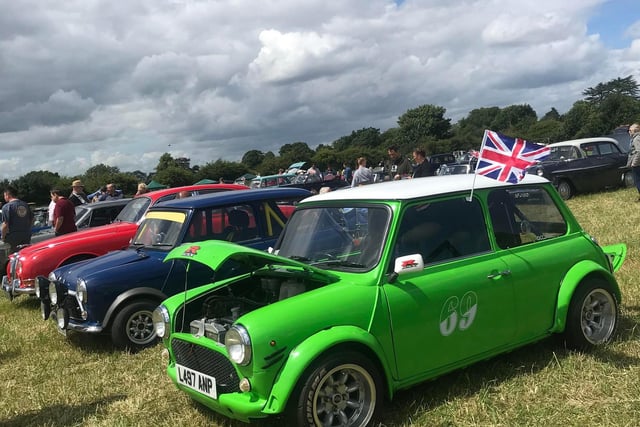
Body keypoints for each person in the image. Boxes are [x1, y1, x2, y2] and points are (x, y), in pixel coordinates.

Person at [1, 186, 34, 253]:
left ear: (8, 195)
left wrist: (3, 237)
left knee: (13, 257)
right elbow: (32, 219)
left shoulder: (7, 207)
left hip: (13, 237)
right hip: (26, 235)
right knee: (25, 254)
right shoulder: (25, 204)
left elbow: (5, 224)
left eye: (4, 195)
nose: (4, 197)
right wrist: (28, 229)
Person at [628, 123, 640, 201]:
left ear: (634, 131)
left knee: (638, 181)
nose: (628, 132)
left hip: (637, 164)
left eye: (630, 130)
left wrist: (634, 163)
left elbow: (639, 151)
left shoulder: (636, 139)